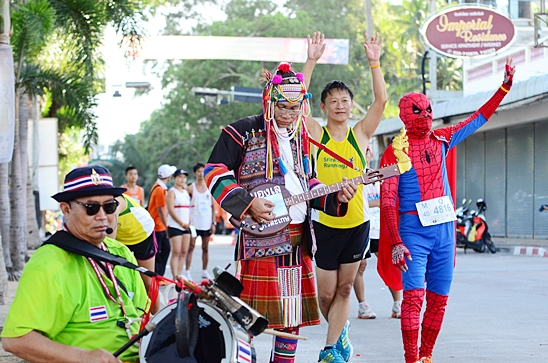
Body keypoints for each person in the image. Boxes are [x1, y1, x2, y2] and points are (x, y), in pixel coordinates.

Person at [204, 62, 357, 363]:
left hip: (298, 239)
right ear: (269, 100)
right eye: (283, 107)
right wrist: (246, 202)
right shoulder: (243, 131)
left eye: (295, 108)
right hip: (261, 240)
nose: (289, 114)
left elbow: (306, 183)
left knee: (290, 317)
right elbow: (214, 171)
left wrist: (335, 195)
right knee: (248, 317)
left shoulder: (300, 139)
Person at [380, 57, 515, 363]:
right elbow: (388, 200)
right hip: (413, 231)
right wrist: (397, 242)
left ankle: (426, 356)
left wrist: (504, 87)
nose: (425, 116)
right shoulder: (394, 151)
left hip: (444, 232)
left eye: (428, 110)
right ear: (404, 115)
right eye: (418, 111)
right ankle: (411, 359)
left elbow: (479, 118)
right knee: (412, 300)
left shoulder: (442, 138)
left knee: (439, 301)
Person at [1, 166, 148, 363]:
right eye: (92, 208)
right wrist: (82, 357)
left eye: (109, 207)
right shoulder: (47, 264)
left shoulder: (121, 253)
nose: (103, 216)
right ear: (66, 210)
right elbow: (15, 340)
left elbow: (144, 314)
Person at [302, 32, 387, 362]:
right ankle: (340, 333)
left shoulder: (360, 134)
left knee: (344, 289)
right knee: (325, 293)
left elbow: (380, 102)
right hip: (323, 225)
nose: (340, 105)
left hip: (357, 223)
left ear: (352, 105)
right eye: (333, 101)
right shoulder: (315, 134)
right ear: (323, 106)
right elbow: (298, 103)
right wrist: (311, 60)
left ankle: (329, 350)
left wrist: (374, 62)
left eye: (345, 100)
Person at [353, 146, 401, 320]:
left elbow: (389, 198)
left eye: (365, 151)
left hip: (381, 227)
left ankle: (397, 304)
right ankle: (362, 305)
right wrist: (377, 203)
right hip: (363, 225)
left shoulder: (380, 174)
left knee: (389, 262)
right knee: (360, 266)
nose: (363, 154)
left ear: (370, 154)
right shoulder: (354, 175)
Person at [108, 192, 159, 313]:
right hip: (122, 238)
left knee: (148, 280)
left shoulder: (116, 200)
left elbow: (109, 238)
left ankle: (157, 317)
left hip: (142, 233)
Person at [187, 162, 216, 280]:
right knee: (191, 247)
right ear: (195, 173)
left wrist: (213, 223)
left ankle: (204, 271)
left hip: (206, 223)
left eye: (203, 171)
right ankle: (187, 271)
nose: (201, 174)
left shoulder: (209, 188)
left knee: (205, 248)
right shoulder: (191, 188)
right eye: (198, 171)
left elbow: (214, 207)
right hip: (194, 223)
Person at [148, 164, 176, 276]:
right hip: (159, 227)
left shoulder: (157, 187)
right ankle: (158, 276)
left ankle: (159, 276)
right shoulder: (159, 190)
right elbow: (160, 209)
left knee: (162, 251)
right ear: (168, 176)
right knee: (161, 252)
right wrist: (166, 226)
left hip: (157, 225)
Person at [166, 168, 192, 280]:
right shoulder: (171, 192)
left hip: (186, 226)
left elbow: (189, 209)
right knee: (176, 252)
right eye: (180, 177)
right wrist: (181, 223)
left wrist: (189, 222)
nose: (182, 179)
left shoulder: (186, 192)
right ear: (174, 178)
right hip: (175, 226)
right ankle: (174, 276)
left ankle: (180, 276)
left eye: (184, 177)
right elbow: (171, 210)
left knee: (183, 252)